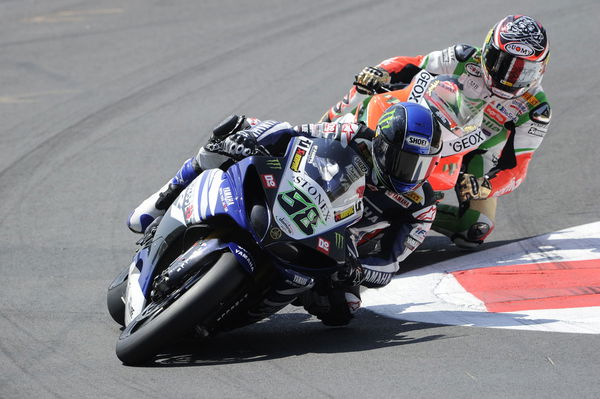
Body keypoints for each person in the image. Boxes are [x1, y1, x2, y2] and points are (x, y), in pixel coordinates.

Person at [127, 102, 442, 325]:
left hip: (335, 252)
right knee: (227, 138)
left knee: (344, 309)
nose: (411, 173)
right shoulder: (351, 133)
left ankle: (237, 311)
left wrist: (360, 269)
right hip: (294, 200)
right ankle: (162, 201)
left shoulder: (421, 204)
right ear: (383, 146)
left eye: (422, 165)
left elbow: (391, 262)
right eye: (405, 161)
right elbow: (293, 135)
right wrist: (251, 140)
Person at [322, 15, 551, 249]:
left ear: (541, 68)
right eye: (502, 63)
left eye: (522, 71)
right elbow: (413, 64)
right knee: (365, 86)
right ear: (487, 51)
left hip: (476, 152)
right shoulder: (465, 57)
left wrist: (487, 185)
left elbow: (518, 167)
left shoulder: (536, 109)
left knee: (476, 228)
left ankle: (419, 213)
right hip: (433, 121)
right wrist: (381, 72)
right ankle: (325, 126)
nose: (508, 78)